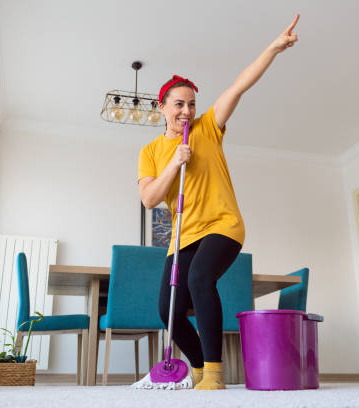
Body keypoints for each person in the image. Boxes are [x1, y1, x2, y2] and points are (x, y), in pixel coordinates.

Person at [137, 14, 300, 390]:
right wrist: (175, 162)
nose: (187, 112)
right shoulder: (150, 152)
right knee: (169, 311)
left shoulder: (209, 127)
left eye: (192, 104)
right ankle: (196, 368)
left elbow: (239, 86)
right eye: (178, 105)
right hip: (182, 237)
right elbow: (149, 198)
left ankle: (214, 372)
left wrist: (274, 47)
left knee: (199, 277)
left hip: (223, 225)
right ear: (161, 107)